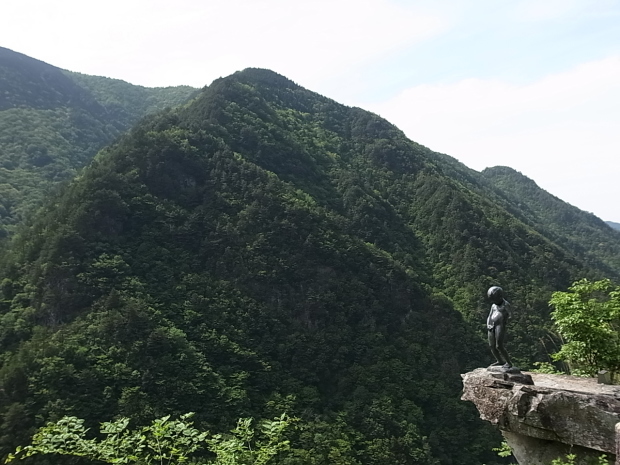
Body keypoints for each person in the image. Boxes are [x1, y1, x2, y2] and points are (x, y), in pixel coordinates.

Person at [486, 286, 512, 368]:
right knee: (491, 346)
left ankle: (508, 362)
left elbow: (511, 315)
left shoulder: (506, 304)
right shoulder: (493, 305)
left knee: (499, 346)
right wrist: (488, 324)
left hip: (500, 326)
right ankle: (500, 361)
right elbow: (490, 315)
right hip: (491, 325)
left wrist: (505, 319)